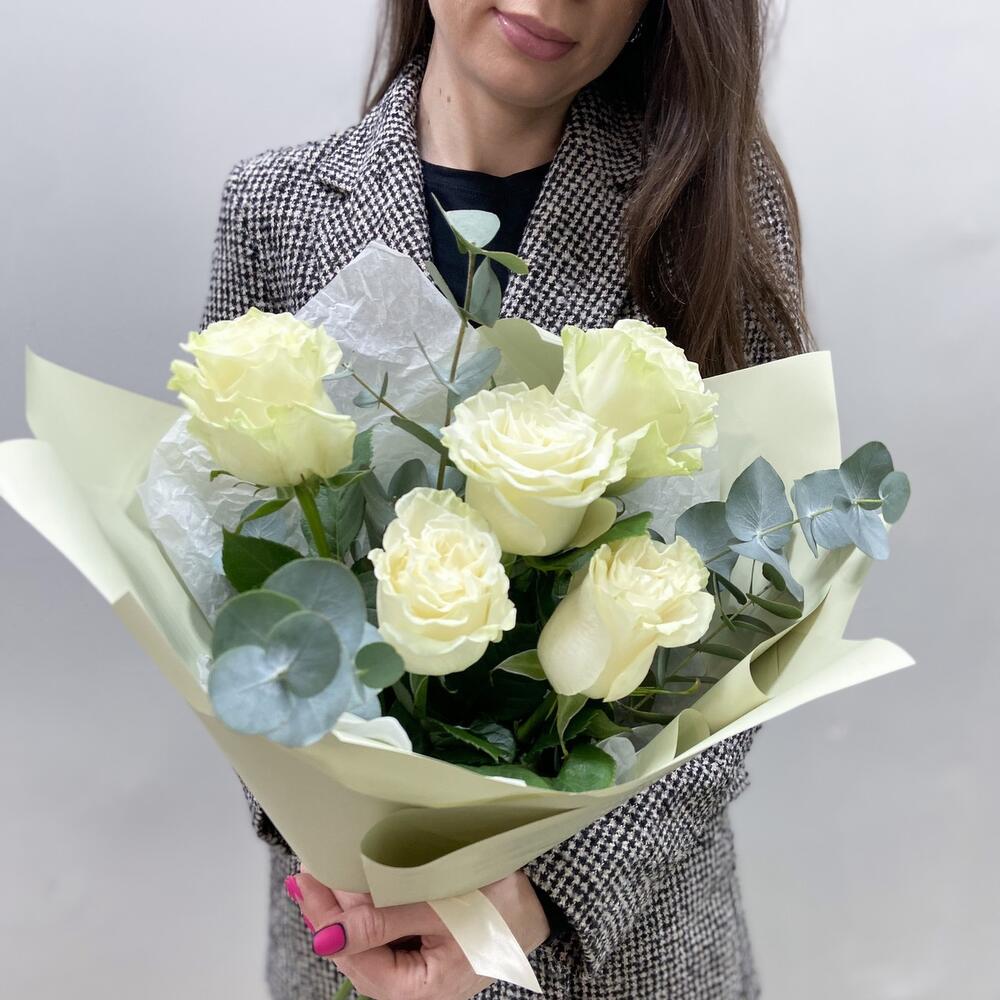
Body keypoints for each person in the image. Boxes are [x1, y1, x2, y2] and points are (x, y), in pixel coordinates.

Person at [201, 2, 811, 998]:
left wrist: (541, 897)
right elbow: (221, 599)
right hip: (353, 936)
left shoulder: (707, 209)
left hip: (627, 954)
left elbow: (754, 614)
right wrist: (349, 858)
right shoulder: (277, 208)